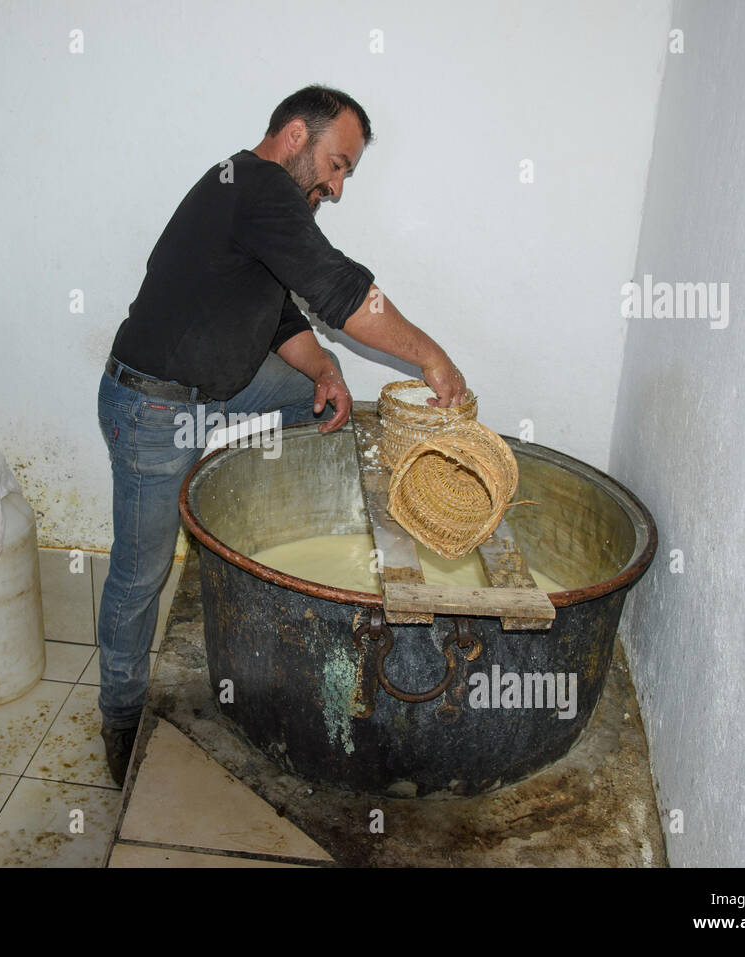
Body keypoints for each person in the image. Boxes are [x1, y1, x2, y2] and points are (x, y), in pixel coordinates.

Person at [95, 85, 468, 784]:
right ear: (295, 136)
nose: (337, 184)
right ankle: (120, 716)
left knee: (318, 402)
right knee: (139, 574)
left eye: (348, 171)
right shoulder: (258, 185)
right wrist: (430, 354)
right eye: (337, 164)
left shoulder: (250, 195)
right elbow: (339, 290)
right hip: (153, 406)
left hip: (219, 382)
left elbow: (279, 313)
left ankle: (288, 542)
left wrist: (325, 367)